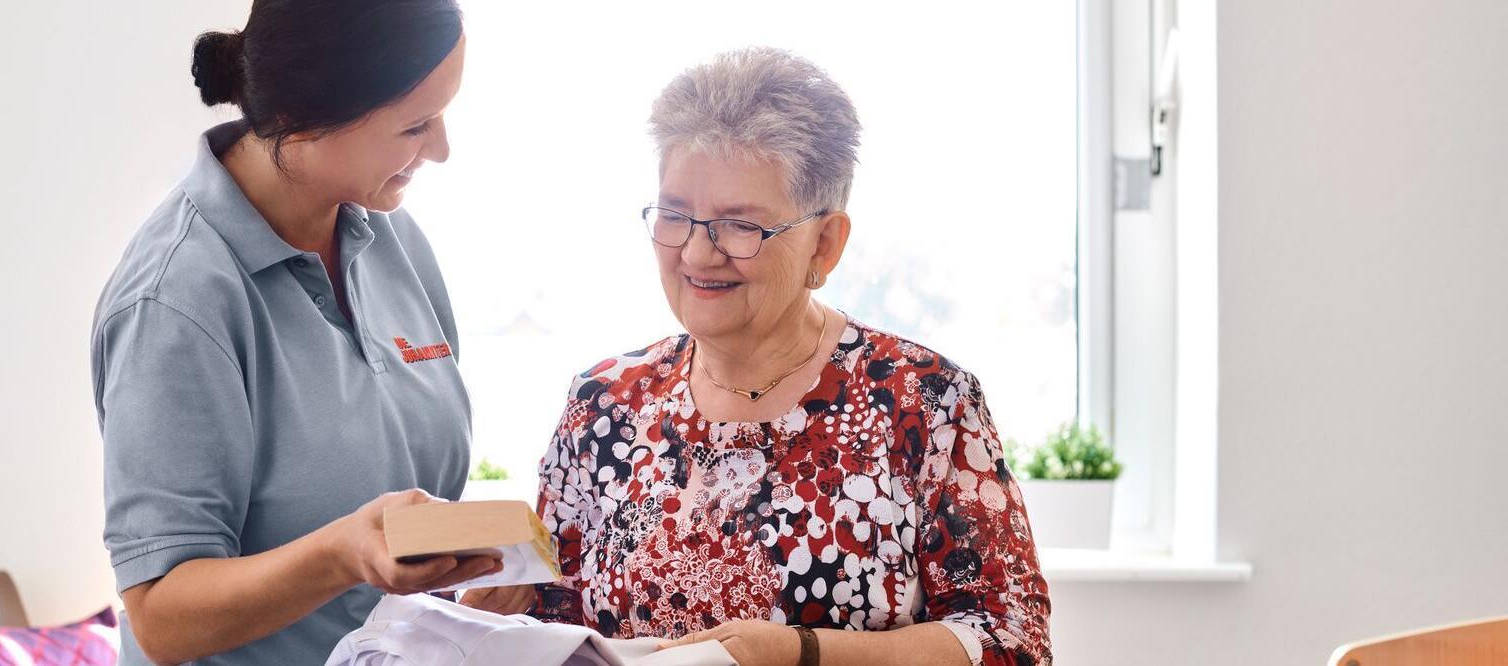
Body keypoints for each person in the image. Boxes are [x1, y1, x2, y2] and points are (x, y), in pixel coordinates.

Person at [461, 47, 1053, 666]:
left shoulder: (925, 401)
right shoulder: (602, 405)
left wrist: (801, 653)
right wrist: (492, 610)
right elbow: (557, 627)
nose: (695, 253)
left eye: (739, 225)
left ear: (825, 242)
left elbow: (1010, 642)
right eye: (674, 215)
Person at [89, 2, 495, 664]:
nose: (442, 150)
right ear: (303, 119)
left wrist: (476, 579)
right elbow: (160, 617)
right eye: (416, 125)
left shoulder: (391, 238)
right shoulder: (173, 300)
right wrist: (342, 554)